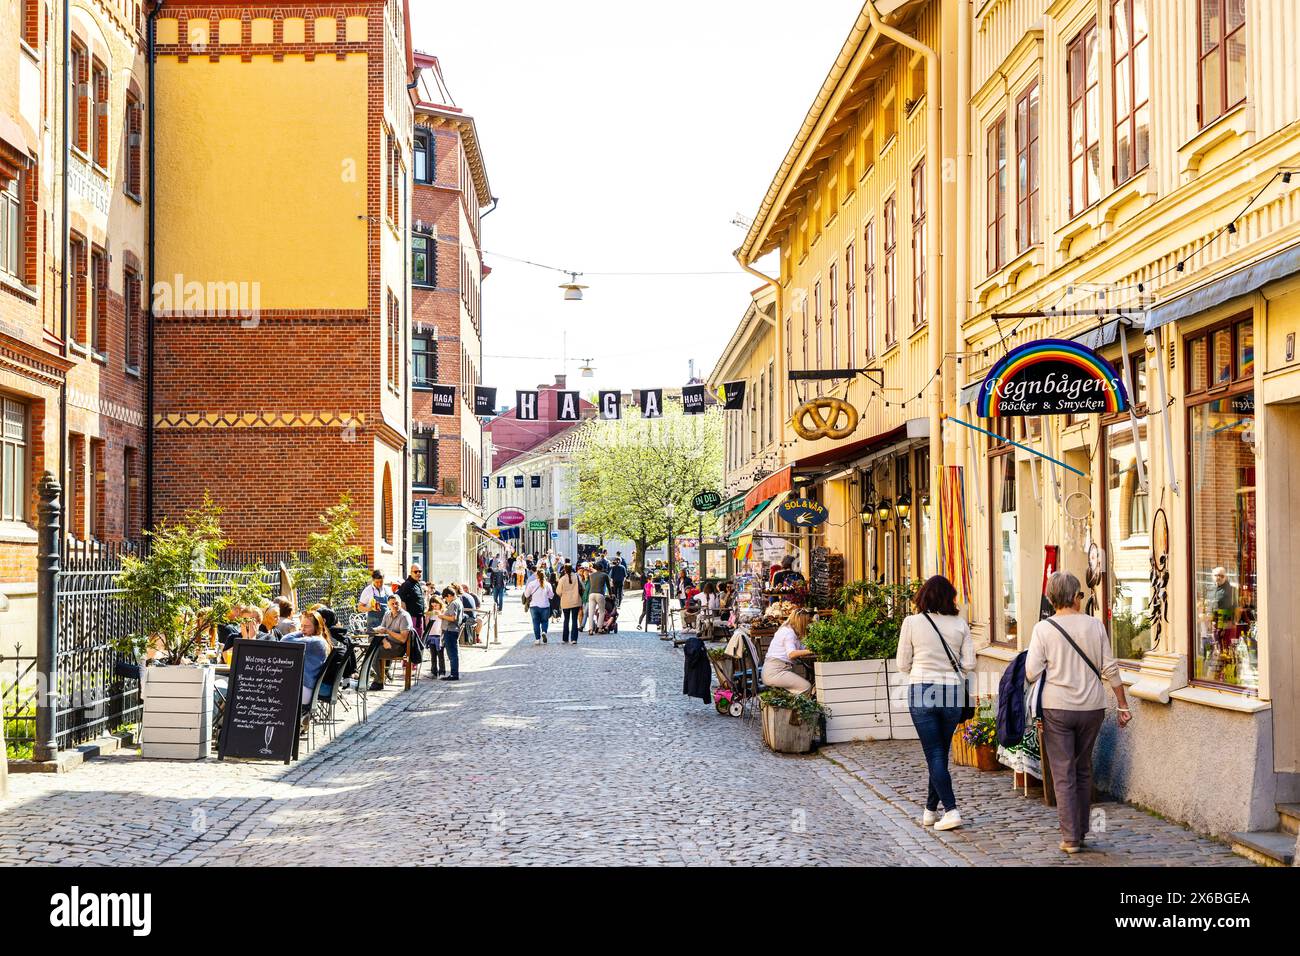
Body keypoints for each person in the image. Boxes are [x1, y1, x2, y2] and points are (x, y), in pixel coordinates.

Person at [1027, 570, 1132, 854]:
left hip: (1056, 708)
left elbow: (1031, 671)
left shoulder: (1043, 629)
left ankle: (1071, 837)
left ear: (1052, 599)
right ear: (1075, 597)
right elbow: (1110, 668)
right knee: (1083, 767)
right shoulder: (1095, 626)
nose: (1081, 599)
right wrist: (1122, 704)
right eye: (1081, 595)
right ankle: (1082, 830)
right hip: (1091, 708)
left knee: (1063, 772)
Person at [896, 574, 976, 833]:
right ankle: (931, 811)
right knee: (939, 752)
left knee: (934, 754)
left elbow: (902, 664)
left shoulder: (912, 622)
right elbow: (969, 664)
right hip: (951, 691)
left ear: (924, 596)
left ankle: (951, 810)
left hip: (922, 689)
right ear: (950, 598)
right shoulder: (960, 624)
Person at [282, 609, 332, 707]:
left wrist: (299, 631)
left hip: (306, 691)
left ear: (317, 627)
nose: (303, 629)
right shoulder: (319, 640)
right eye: (301, 626)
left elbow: (285, 640)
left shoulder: (315, 641)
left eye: (307, 626)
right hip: (308, 688)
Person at [762, 608, 815, 694]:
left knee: (804, 686)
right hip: (775, 672)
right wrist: (811, 650)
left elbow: (802, 648)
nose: (808, 625)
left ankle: (794, 702)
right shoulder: (788, 633)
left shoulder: (791, 631)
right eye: (807, 622)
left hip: (775, 670)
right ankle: (797, 703)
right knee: (806, 687)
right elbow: (791, 654)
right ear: (801, 622)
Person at [370, 594, 412, 690]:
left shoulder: (404, 616)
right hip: (388, 642)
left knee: (374, 652)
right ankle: (382, 675)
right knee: (372, 645)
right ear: (388, 605)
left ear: (400, 603)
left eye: (397, 603)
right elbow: (381, 630)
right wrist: (384, 641)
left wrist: (387, 631)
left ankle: (379, 680)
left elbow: (403, 639)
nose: (395, 605)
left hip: (399, 647)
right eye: (392, 604)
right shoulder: (387, 614)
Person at [437, 587, 463, 680]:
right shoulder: (458, 601)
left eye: (446, 598)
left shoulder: (453, 603)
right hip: (453, 630)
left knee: (452, 653)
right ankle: (454, 673)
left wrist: (442, 616)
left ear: (449, 595)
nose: (446, 600)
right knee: (453, 653)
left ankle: (454, 674)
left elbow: (453, 618)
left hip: (450, 630)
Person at [397, 565, 427, 639]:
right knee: (411, 641)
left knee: (418, 641)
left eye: (420, 571)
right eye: (415, 572)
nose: (418, 573)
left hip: (419, 618)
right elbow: (401, 601)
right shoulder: (406, 584)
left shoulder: (417, 583)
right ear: (411, 572)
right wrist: (406, 618)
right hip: (411, 618)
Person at [556, 563, 583, 644]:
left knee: (566, 620)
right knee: (574, 620)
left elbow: (558, 591)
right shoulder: (577, 577)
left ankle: (565, 638)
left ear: (564, 569)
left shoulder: (562, 579)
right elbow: (583, 587)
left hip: (565, 602)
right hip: (576, 600)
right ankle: (574, 639)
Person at [424, 593, 445, 678]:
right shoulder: (430, 614)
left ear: (440, 604)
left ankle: (442, 672)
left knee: (440, 655)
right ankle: (433, 672)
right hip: (431, 635)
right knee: (433, 655)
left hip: (439, 636)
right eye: (432, 606)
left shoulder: (442, 612)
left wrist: (439, 614)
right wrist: (429, 615)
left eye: (436, 606)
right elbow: (427, 624)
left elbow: (444, 619)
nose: (434, 608)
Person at [586, 563, 610, 634]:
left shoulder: (591, 575)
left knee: (591, 612)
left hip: (591, 594)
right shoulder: (604, 575)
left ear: (596, 568)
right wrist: (611, 593)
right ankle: (599, 628)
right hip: (600, 594)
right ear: (602, 568)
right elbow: (608, 586)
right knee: (602, 611)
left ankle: (590, 629)